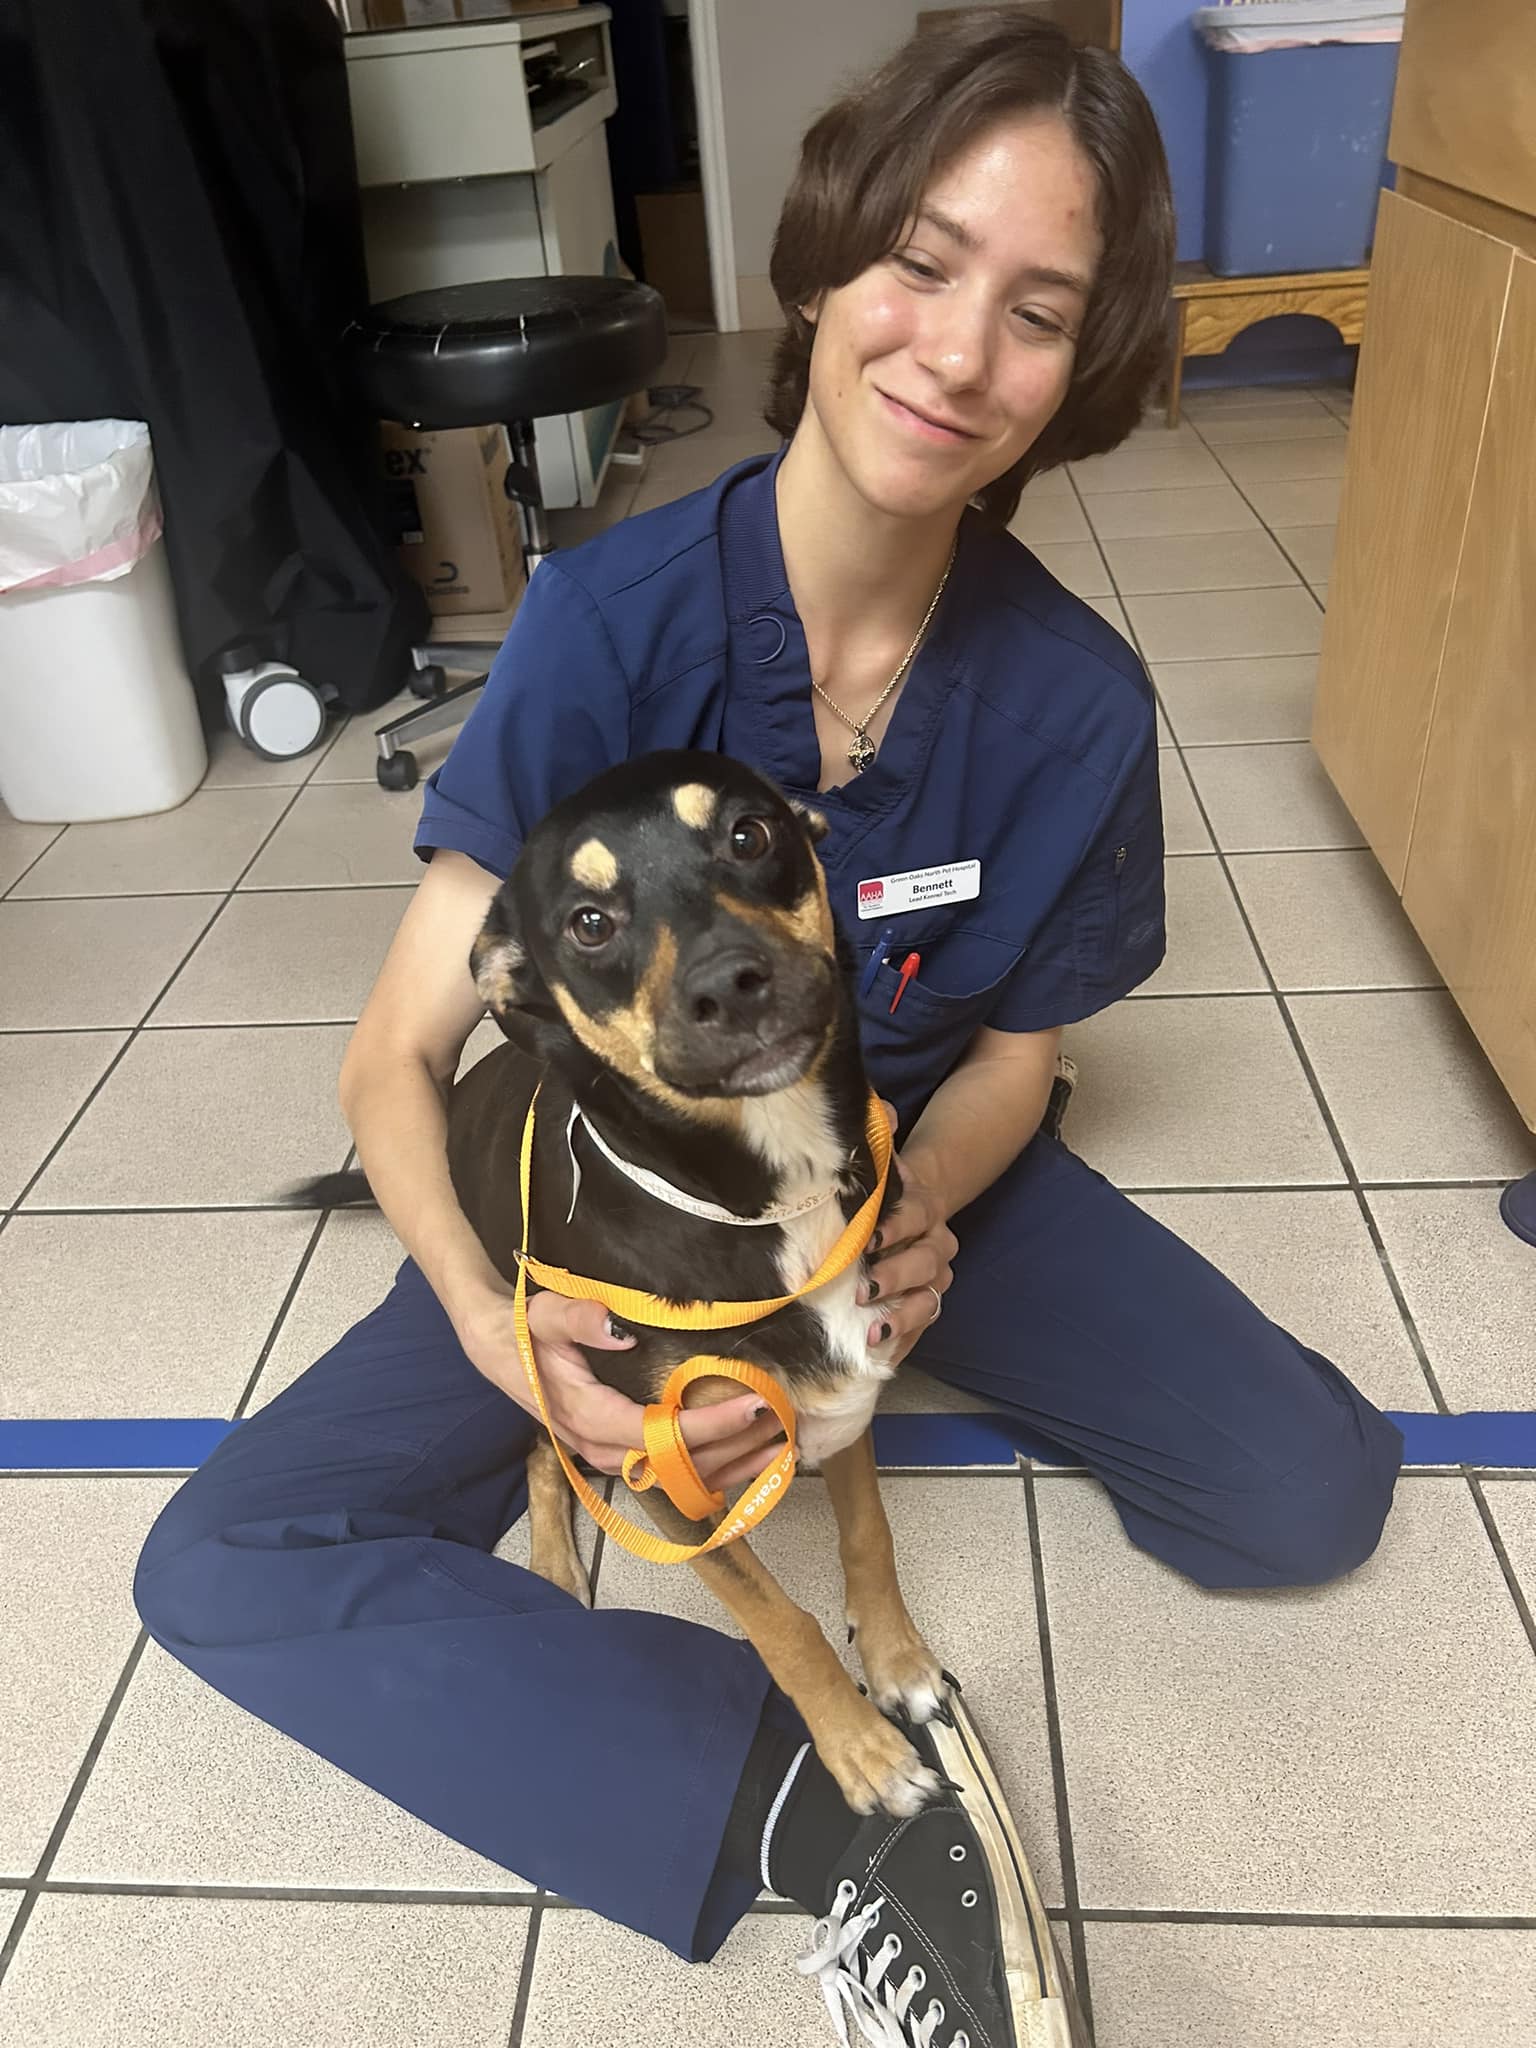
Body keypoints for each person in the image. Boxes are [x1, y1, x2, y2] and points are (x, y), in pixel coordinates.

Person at [134, 11, 1404, 2041]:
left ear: (1082, 371)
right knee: (224, 1558)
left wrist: (920, 1216)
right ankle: (830, 1811)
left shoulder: (1071, 702)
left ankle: (852, 1375)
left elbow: (1015, 1050)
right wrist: (497, 1327)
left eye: (1039, 309)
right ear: (820, 262)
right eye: (920, 260)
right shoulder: (605, 626)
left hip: (905, 1185)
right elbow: (396, 1058)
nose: (957, 349)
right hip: (623, 1209)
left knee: (1305, 1487)